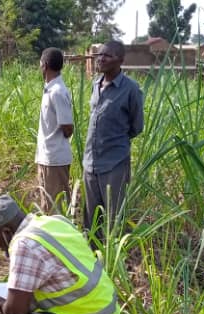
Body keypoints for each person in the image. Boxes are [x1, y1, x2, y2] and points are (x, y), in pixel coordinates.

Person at [83, 40, 143, 237]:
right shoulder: (95, 85)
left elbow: (136, 126)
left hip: (114, 164)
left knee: (114, 219)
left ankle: (114, 263)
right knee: (91, 220)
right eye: (99, 54)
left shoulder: (131, 89)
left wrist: (116, 142)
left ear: (120, 60)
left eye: (107, 55)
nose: (101, 59)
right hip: (91, 163)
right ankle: (92, 261)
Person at [35, 47, 74, 213]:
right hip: (47, 157)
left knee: (54, 209)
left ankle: (56, 239)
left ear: (44, 65)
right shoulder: (50, 89)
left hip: (55, 160)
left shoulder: (57, 92)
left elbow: (68, 127)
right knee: (46, 205)